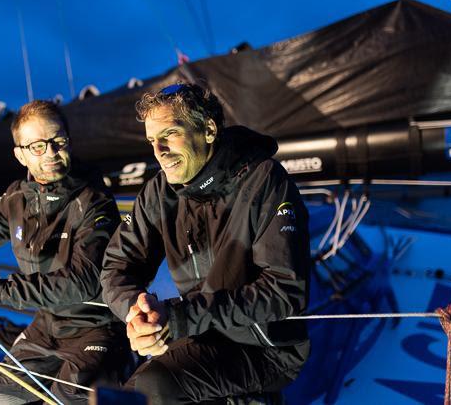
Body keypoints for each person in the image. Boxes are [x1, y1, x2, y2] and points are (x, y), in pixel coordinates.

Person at [101, 83, 311, 404]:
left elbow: (285, 291)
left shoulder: (264, 180)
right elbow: (117, 266)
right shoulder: (159, 193)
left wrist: (181, 317)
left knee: (152, 387)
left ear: (209, 130)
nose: (159, 151)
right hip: (199, 334)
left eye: (170, 134)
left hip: (265, 348)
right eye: (152, 141)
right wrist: (137, 312)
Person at [0, 100, 130, 404]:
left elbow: (83, 281)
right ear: (20, 155)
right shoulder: (17, 198)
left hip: (97, 327)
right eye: (38, 147)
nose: (51, 153)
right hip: (46, 325)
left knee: (70, 398)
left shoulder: (95, 201)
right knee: (6, 395)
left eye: (59, 141)